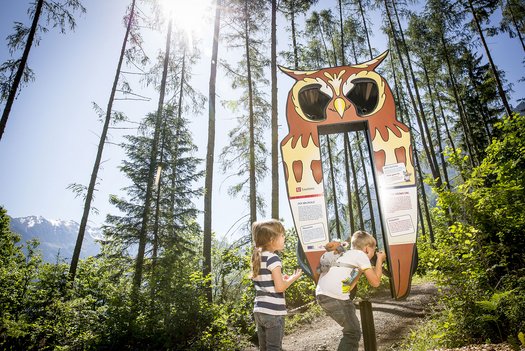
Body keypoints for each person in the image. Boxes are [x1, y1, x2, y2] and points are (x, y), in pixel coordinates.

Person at [315, 230, 386, 351]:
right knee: (352, 333)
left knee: (350, 330)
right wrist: (380, 259)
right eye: (373, 251)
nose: (373, 254)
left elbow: (348, 287)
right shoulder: (361, 255)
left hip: (322, 295)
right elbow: (375, 282)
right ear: (367, 249)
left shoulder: (346, 255)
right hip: (336, 297)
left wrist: (359, 271)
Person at [251, 219, 303, 351]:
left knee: (264, 348)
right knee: (274, 348)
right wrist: (292, 278)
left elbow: (266, 282)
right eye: (282, 235)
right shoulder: (273, 258)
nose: (284, 237)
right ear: (271, 239)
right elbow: (280, 288)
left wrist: (281, 278)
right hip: (273, 311)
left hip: (259, 310)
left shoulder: (258, 257)